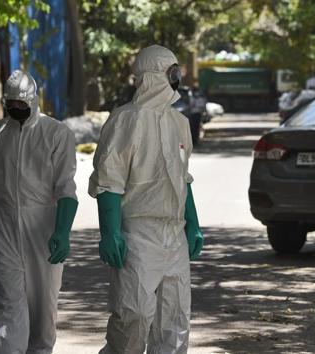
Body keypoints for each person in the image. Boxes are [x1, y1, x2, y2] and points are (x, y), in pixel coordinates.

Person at [89, 44, 204, 353]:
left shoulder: (178, 123)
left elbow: (184, 178)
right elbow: (108, 181)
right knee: (134, 315)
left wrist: (192, 224)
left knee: (175, 321)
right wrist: (110, 231)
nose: (177, 78)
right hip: (137, 235)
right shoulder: (125, 120)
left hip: (174, 234)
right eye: (172, 72)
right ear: (152, 76)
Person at [0, 70, 78, 354]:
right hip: (2, 225)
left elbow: (66, 189)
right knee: (8, 301)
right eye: (11, 104)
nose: (16, 109)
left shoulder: (56, 133)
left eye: (21, 104)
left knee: (43, 306)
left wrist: (62, 233)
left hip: (43, 226)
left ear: (34, 101)